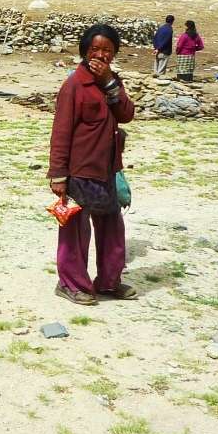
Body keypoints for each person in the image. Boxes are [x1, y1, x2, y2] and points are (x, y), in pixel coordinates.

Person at [48, 24, 136, 306]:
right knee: (75, 231)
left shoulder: (112, 82)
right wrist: (58, 174)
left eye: (107, 50)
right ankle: (71, 284)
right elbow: (61, 131)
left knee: (112, 227)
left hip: (108, 169)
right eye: (95, 49)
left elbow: (126, 114)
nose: (101, 55)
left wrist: (111, 82)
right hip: (79, 170)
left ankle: (109, 282)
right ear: (85, 51)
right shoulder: (74, 85)